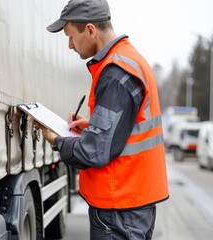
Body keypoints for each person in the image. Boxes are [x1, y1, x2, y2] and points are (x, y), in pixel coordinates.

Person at [41, 0, 169, 239]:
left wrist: (58, 140)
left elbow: (95, 151)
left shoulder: (115, 73)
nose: (69, 45)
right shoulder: (129, 60)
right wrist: (93, 127)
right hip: (132, 202)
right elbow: (129, 131)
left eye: (70, 36)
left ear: (90, 30)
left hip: (119, 207)